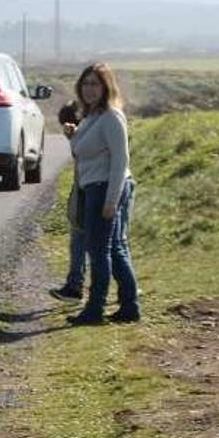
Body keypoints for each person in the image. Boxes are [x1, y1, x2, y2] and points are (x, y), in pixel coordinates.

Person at [66, 63, 141, 325]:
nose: (89, 89)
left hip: (105, 188)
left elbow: (121, 159)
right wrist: (73, 134)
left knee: (98, 251)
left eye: (95, 84)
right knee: (114, 249)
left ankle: (95, 309)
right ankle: (130, 306)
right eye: (85, 84)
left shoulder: (111, 116)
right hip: (95, 187)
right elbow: (82, 150)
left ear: (106, 87)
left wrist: (111, 200)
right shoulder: (91, 116)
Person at [50, 100, 87, 301]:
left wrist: (73, 138)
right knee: (112, 244)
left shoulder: (86, 132)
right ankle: (126, 289)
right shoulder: (95, 124)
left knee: (80, 239)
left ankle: (75, 286)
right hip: (90, 188)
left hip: (87, 189)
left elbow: (81, 157)